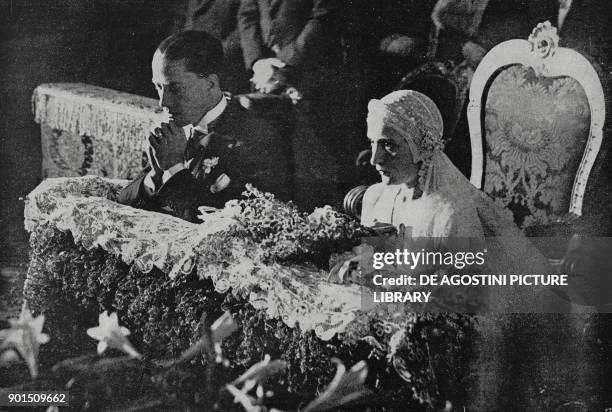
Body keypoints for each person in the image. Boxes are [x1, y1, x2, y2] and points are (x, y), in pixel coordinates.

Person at [360, 90, 569, 312]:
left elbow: (465, 304)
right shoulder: (375, 198)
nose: (375, 158)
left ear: (420, 147)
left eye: (389, 145)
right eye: (372, 142)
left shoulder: (451, 215)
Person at [117, 30, 292, 222]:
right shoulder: (178, 126)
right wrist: (156, 176)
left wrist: (174, 168)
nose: (163, 102)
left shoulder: (255, 140)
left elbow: (219, 227)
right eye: (158, 87)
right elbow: (123, 201)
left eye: (175, 88)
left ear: (210, 83)